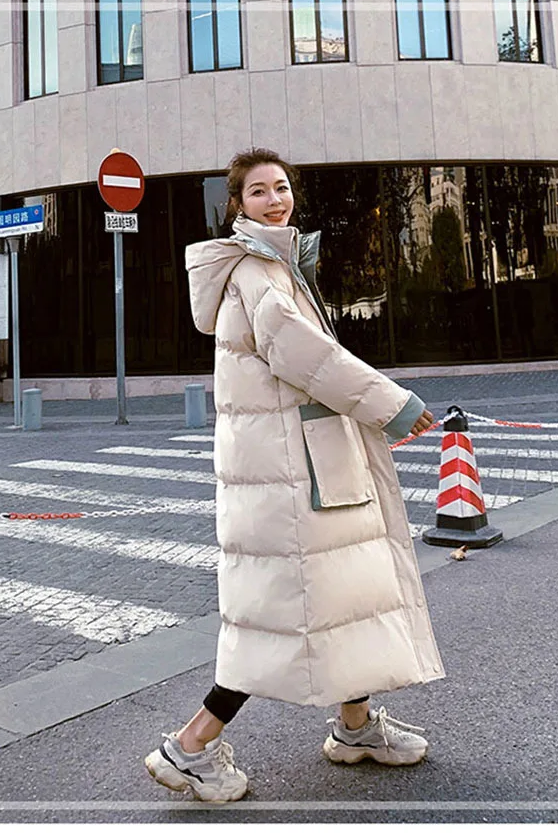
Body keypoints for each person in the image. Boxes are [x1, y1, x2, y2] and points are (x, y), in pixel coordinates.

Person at [144, 148, 444, 803]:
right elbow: (308, 357)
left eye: (281, 188)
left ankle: (355, 726)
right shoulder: (259, 273)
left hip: (300, 465)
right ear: (237, 205)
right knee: (282, 614)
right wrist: (395, 407)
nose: (275, 199)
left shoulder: (275, 266)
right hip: (289, 475)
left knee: (338, 596)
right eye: (258, 191)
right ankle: (190, 746)